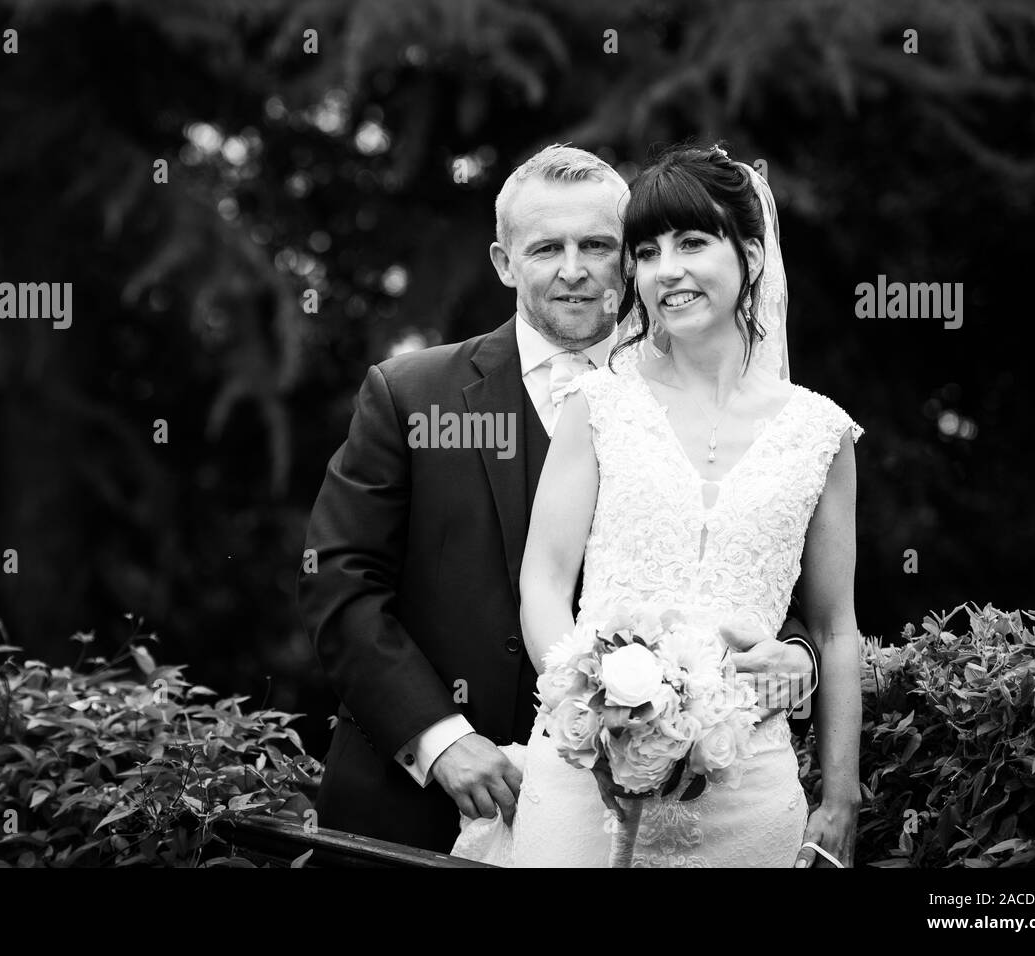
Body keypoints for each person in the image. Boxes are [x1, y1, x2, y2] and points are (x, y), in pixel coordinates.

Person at [297, 144, 817, 855]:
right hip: (407, 812)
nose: (573, 269)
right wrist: (440, 740)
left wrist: (797, 657)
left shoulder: (709, 410)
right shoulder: (409, 394)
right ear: (505, 263)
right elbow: (341, 587)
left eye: (598, 245)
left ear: (628, 259)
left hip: (635, 818)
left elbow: (763, 571)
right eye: (546, 247)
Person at [455, 144, 861, 867]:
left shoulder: (820, 434)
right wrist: (585, 704)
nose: (666, 269)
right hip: (587, 779)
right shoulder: (601, 406)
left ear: (754, 256)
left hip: (748, 792)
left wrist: (841, 797)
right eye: (646, 250)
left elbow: (834, 629)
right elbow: (544, 581)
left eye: (693, 242)